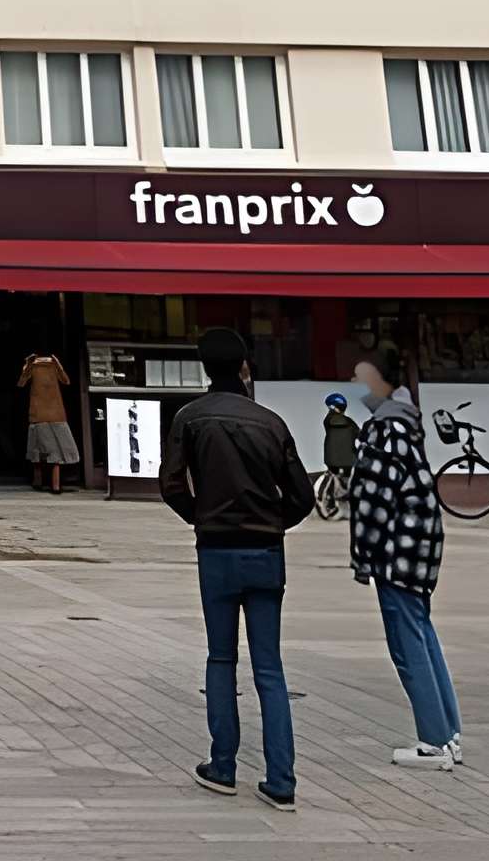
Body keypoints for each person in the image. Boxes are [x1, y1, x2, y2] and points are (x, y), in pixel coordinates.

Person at [160, 326, 314, 814]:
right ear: (245, 367)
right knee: (270, 667)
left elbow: (170, 484)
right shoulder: (271, 422)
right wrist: (272, 524)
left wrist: (202, 516)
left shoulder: (190, 418)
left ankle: (223, 766)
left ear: (205, 368)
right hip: (267, 552)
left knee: (221, 659)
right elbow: (302, 497)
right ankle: (281, 779)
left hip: (216, 553)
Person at [350, 343, 461, 769]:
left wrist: (363, 557)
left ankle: (433, 741)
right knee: (423, 635)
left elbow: (373, 500)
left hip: (397, 553)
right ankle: (448, 733)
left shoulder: (385, 428)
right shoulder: (407, 422)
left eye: (362, 378)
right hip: (419, 549)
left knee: (407, 643)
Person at [18, 351, 78, 493]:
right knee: (51, 451)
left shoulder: (41, 366)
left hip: (44, 414)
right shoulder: (41, 366)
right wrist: (29, 365)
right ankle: (52, 485)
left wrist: (28, 365)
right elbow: (66, 380)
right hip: (50, 414)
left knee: (39, 450)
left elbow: (21, 383)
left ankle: (42, 482)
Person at [322, 391, 359, 482]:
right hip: (350, 462)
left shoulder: (327, 421)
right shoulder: (350, 422)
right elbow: (360, 435)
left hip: (331, 463)